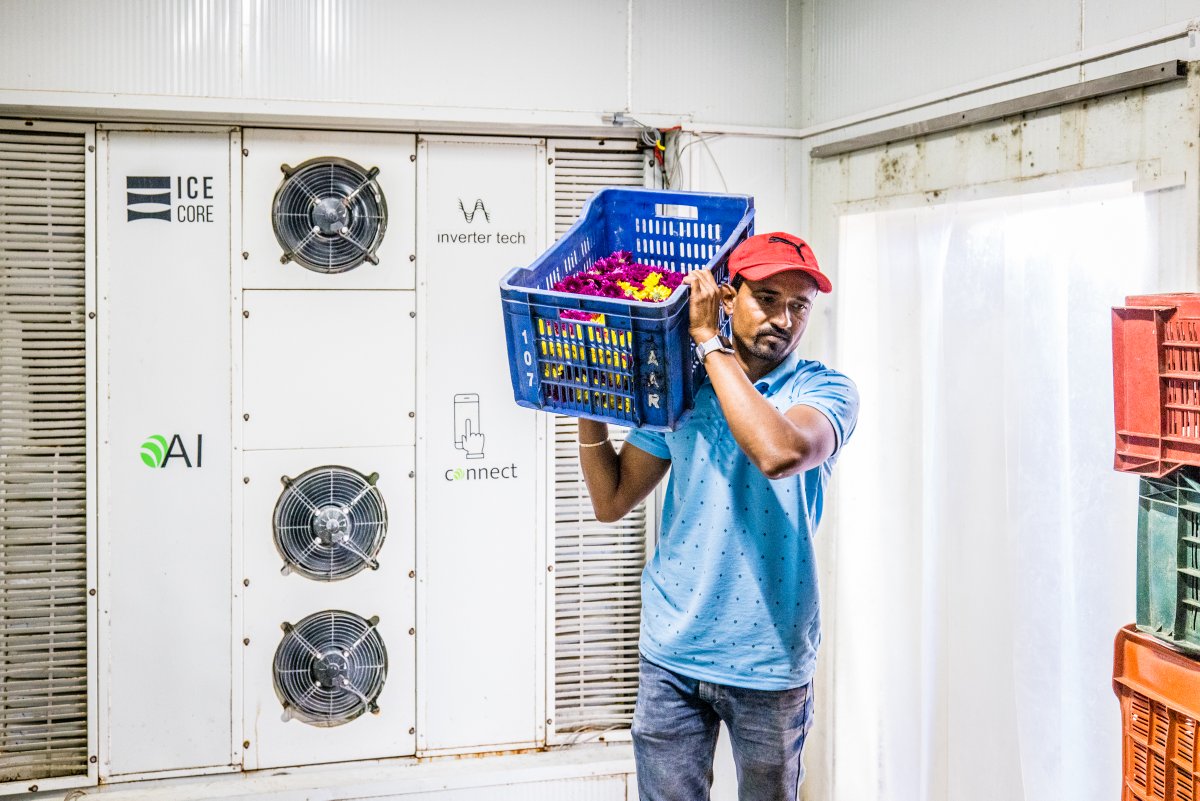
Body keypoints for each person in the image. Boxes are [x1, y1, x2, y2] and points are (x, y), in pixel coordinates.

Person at [576, 232, 859, 801]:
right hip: (672, 654)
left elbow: (778, 453)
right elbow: (611, 501)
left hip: (768, 658)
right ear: (729, 297)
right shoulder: (682, 390)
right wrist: (587, 401)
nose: (784, 317)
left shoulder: (825, 390)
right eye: (768, 297)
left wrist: (708, 340)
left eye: (799, 305)